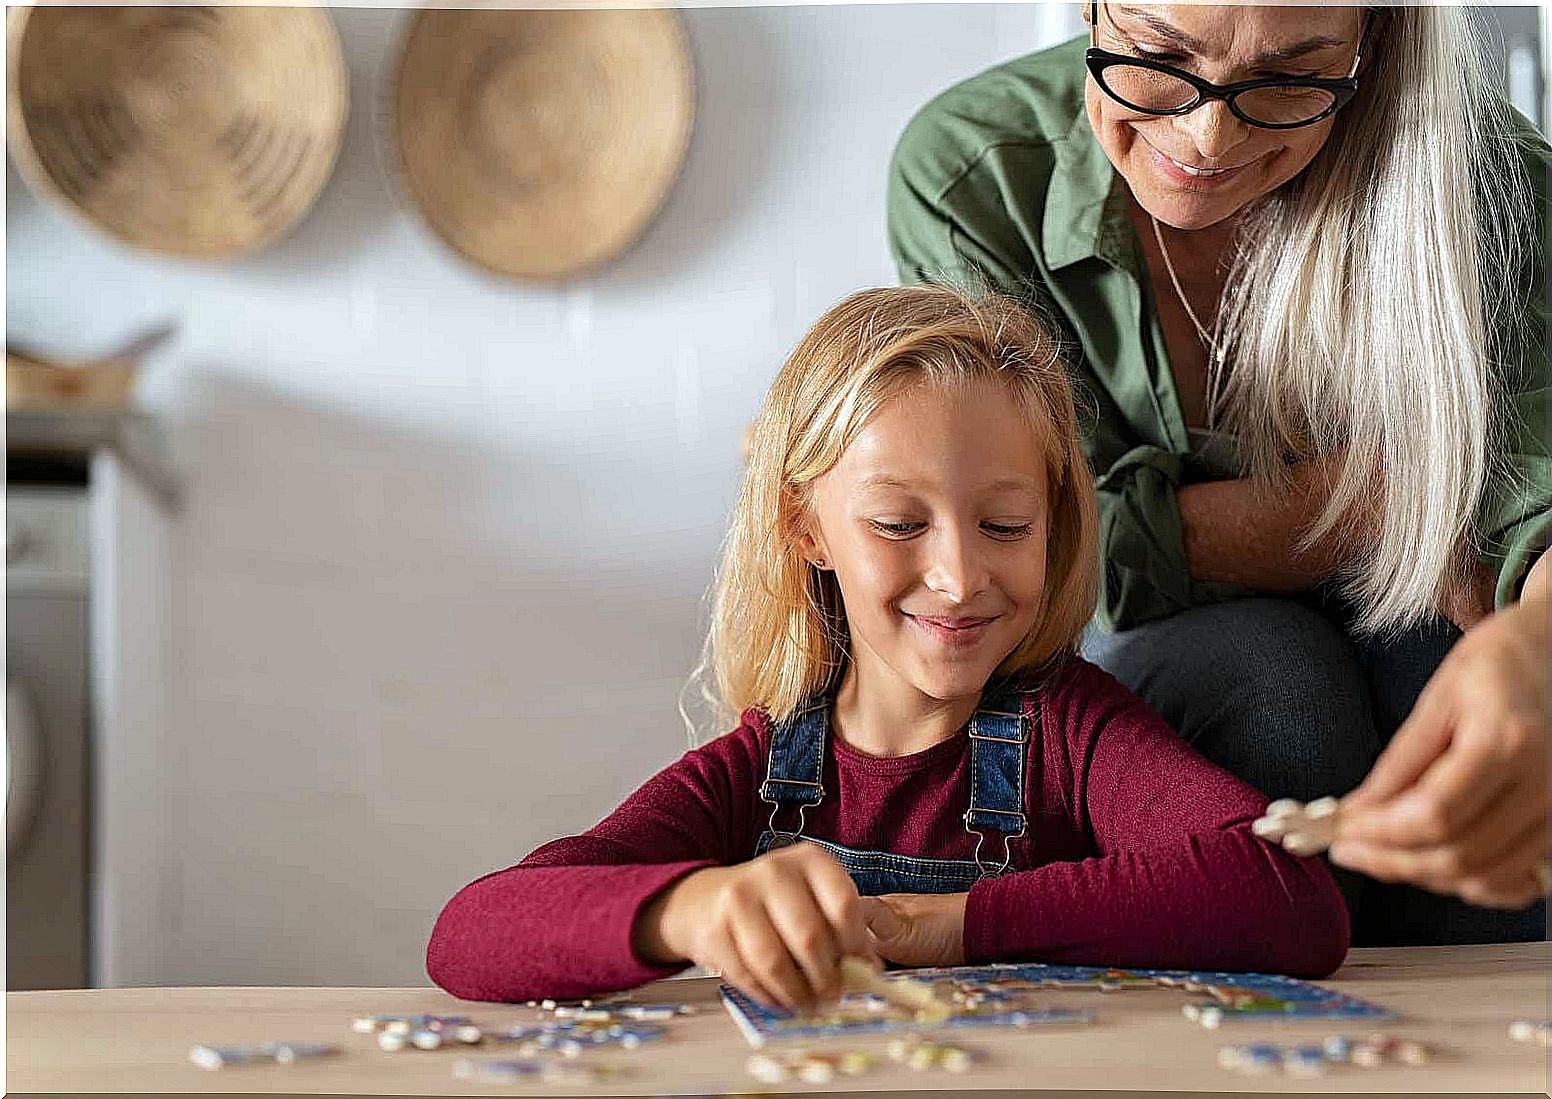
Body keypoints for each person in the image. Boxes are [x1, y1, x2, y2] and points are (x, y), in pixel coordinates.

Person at [425, 285, 1349, 1007]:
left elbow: (1293, 896)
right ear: (806, 530)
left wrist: (949, 923)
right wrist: (688, 909)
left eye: (1004, 523)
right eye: (900, 523)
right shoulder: (758, 768)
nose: (958, 574)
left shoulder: (1072, 733)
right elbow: (467, 933)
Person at [888, 3, 1549, 945]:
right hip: (1156, 644)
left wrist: (1537, 651)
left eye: (1292, 77)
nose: (1210, 136)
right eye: (1159, 56)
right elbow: (1049, 548)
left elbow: (1536, 499)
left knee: (1460, 698)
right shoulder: (973, 174)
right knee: (1279, 685)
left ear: (1378, 42)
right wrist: (1360, 509)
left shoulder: (1494, 182)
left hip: (1425, 617)